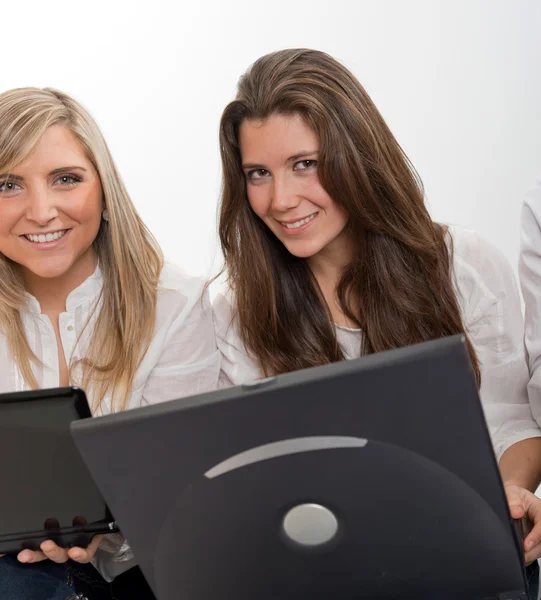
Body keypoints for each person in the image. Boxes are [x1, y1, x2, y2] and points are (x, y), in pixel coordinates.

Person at [212, 49, 541, 591]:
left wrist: (509, 492)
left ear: (355, 155)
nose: (281, 199)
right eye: (258, 174)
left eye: (305, 164)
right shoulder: (235, 312)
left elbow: (511, 420)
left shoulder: (464, 264)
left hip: (459, 547)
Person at [0, 87, 220, 599]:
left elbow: (182, 491)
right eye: (7, 184)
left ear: (104, 189)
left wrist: (108, 529)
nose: (41, 210)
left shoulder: (175, 305)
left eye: (66, 179)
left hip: (134, 571)